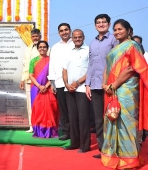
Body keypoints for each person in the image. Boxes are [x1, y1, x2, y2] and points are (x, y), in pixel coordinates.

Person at [101, 19, 148, 169]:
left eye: (120, 29)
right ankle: (115, 157)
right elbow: (107, 69)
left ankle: (129, 160)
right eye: (115, 30)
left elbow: (130, 70)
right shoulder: (116, 48)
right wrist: (105, 85)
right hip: (111, 90)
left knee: (127, 123)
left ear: (129, 31)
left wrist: (114, 85)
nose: (117, 32)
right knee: (113, 119)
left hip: (126, 90)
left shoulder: (133, 46)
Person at [85, 14, 118, 159]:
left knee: (112, 117)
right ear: (95, 26)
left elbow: (117, 61)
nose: (101, 24)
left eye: (104, 22)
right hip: (95, 86)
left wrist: (113, 83)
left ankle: (115, 148)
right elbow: (90, 65)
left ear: (109, 24)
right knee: (98, 119)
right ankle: (103, 148)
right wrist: (87, 84)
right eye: (98, 22)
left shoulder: (114, 39)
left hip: (110, 85)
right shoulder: (92, 43)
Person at [62, 29, 90, 153]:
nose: (77, 39)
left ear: (83, 37)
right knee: (72, 117)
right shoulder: (68, 52)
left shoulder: (89, 51)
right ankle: (74, 143)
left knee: (83, 117)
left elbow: (91, 71)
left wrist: (77, 83)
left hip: (82, 89)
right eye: (75, 37)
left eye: (80, 37)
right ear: (72, 38)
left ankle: (84, 145)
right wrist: (67, 84)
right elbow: (64, 70)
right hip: (69, 89)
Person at [48, 23, 74, 141]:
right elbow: (52, 65)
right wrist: (52, 82)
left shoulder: (76, 43)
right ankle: (66, 132)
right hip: (59, 82)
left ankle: (76, 132)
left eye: (66, 30)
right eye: (61, 31)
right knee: (63, 109)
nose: (64, 32)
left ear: (70, 30)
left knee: (74, 109)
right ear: (59, 33)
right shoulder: (55, 47)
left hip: (74, 83)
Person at [29, 40, 59, 138]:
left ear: (47, 48)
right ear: (37, 49)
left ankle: (50, 131)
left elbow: (54, 74)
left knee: (50, 109)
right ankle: (38, 131)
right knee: (37, 110)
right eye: (40, 47)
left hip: (48, 88)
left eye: (44, 47)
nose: (42, 49)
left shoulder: (52, 60)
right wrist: (39, 86)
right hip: (36, 88)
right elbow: (31, 75)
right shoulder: (33, 61)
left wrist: (46, 86)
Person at [20, 29, 41, 133]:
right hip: (28, 80)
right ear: (31, 37)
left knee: (40, 104)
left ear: (40, 36)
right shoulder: (28, 49)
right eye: (33, 36)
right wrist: (22, 79)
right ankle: (32, 126)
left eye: (37, 36)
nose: (35, 38)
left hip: (40, 81)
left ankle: (40, 126)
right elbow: (25, 65)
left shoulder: (44, 47)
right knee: (30, 104)